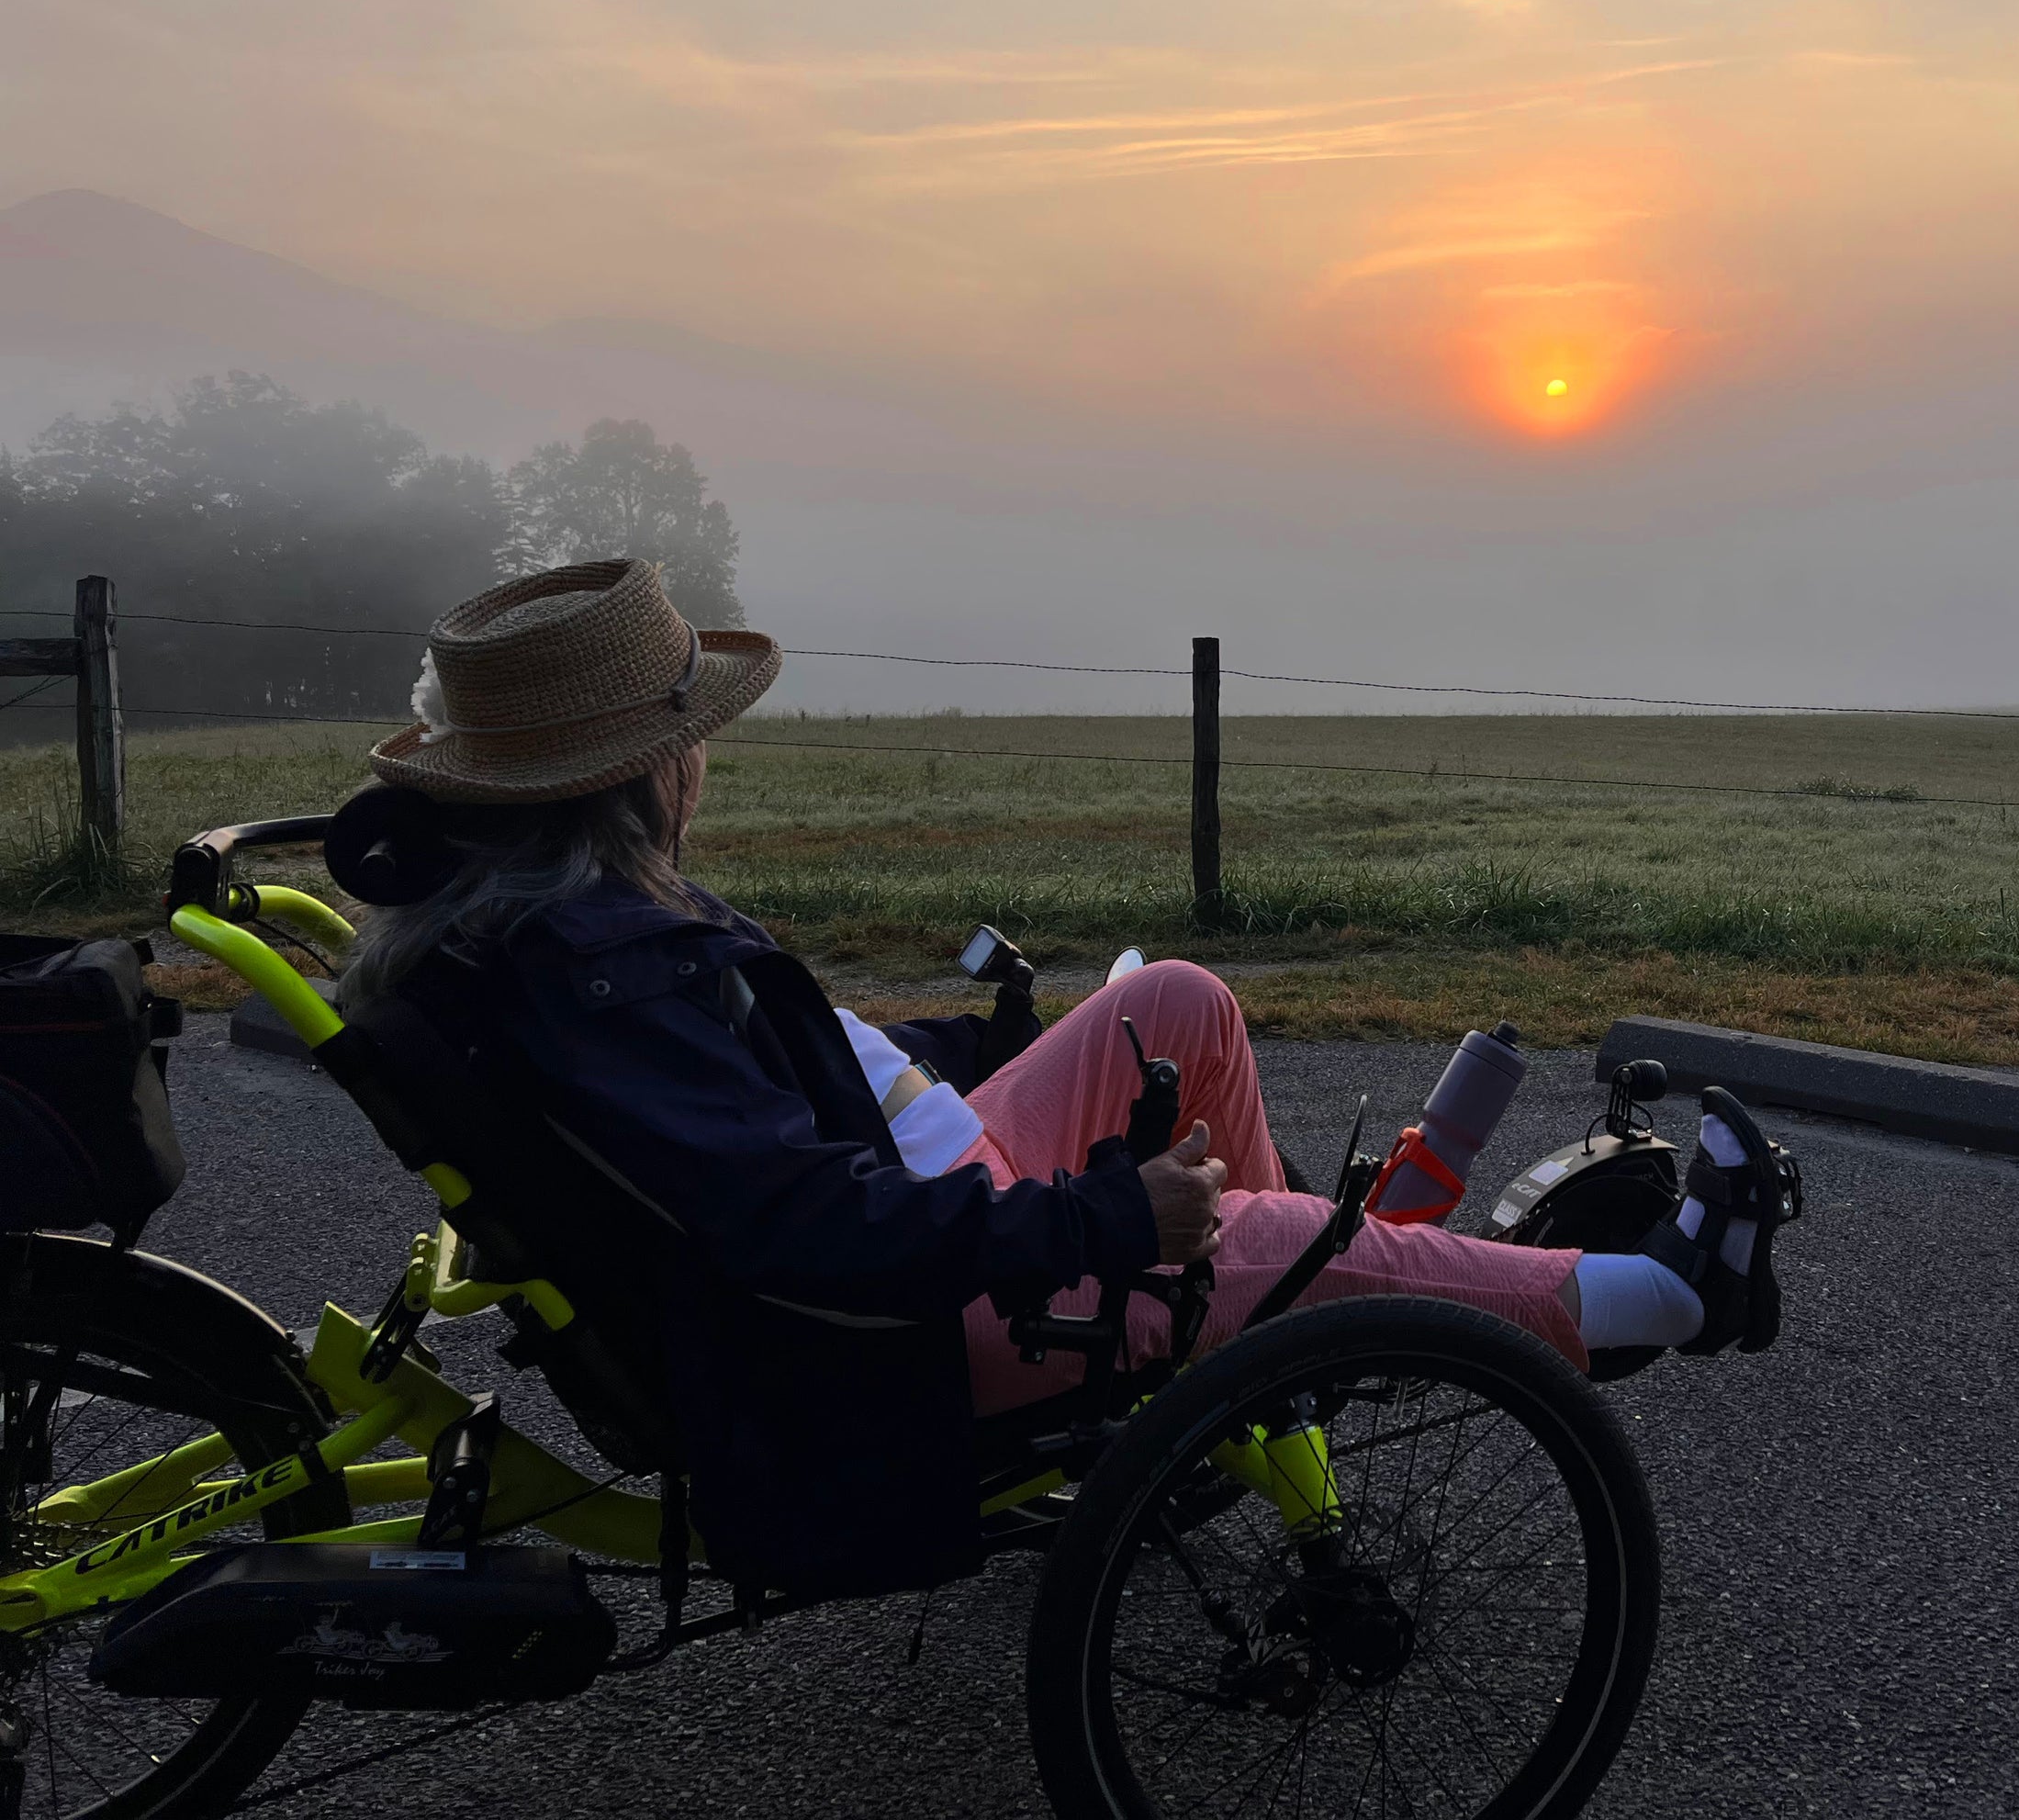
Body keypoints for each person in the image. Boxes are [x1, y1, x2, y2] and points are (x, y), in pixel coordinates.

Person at [334, 558, 1797, 1593]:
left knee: (1175, 1000)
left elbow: (800, 1103)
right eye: (689, 744)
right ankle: (1649, 1297)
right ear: (644, 774)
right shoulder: (606, 976)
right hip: (915, 1315)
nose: (703, 767)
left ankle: (1261, 1360)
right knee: (1256, 1236)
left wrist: (982, 1056)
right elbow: (802, 1225)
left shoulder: (560, 927)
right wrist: (1113, 1220)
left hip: (938, 1196)